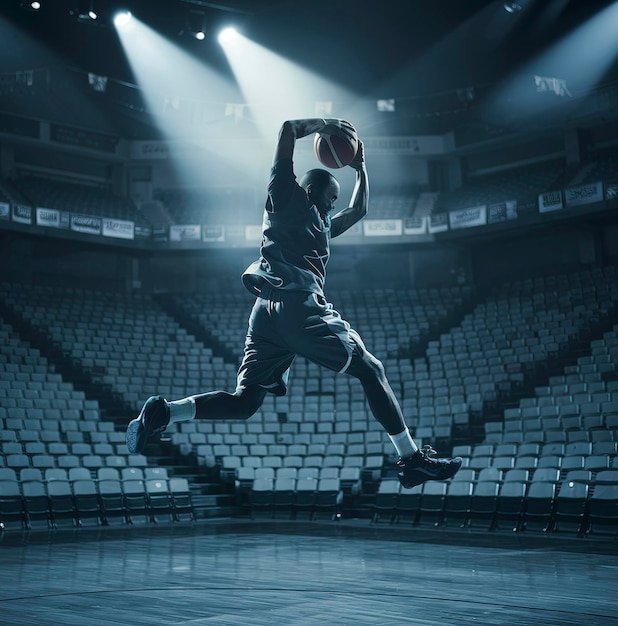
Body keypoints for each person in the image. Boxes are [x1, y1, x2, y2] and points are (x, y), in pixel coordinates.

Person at [126, 118, 462, 489]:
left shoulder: (319, 223)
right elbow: (287, 129)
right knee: (371, 369)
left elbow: (359, 211)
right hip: (299, 307)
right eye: (331, 197)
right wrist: (325, 124)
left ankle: (164, 413)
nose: (334, 205)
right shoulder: (286, 198)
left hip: (265, 313)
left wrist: (361, 168)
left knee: (244, 404)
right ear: (313, 189)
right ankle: (411, 459)